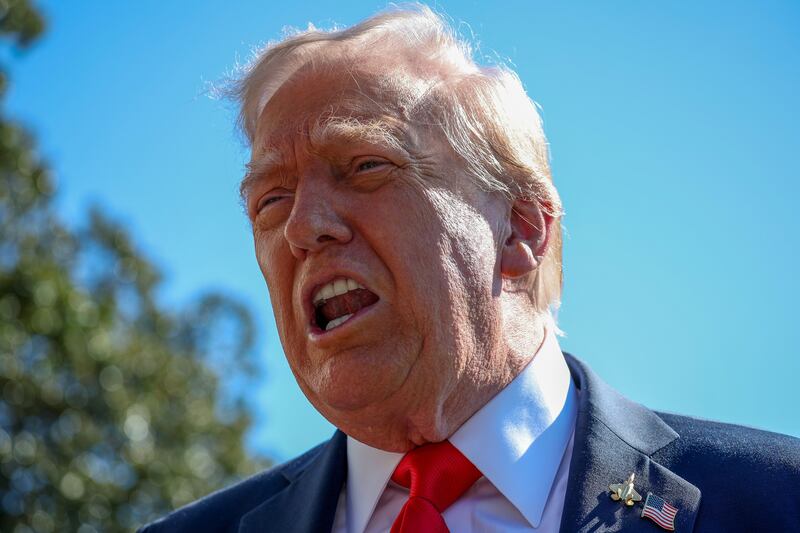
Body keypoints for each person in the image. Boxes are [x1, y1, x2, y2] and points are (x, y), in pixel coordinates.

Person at [140, 6, 799, 533]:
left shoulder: (779, 500)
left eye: (366, 165)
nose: (303, 225)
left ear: (519, 228)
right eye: (272, 199)